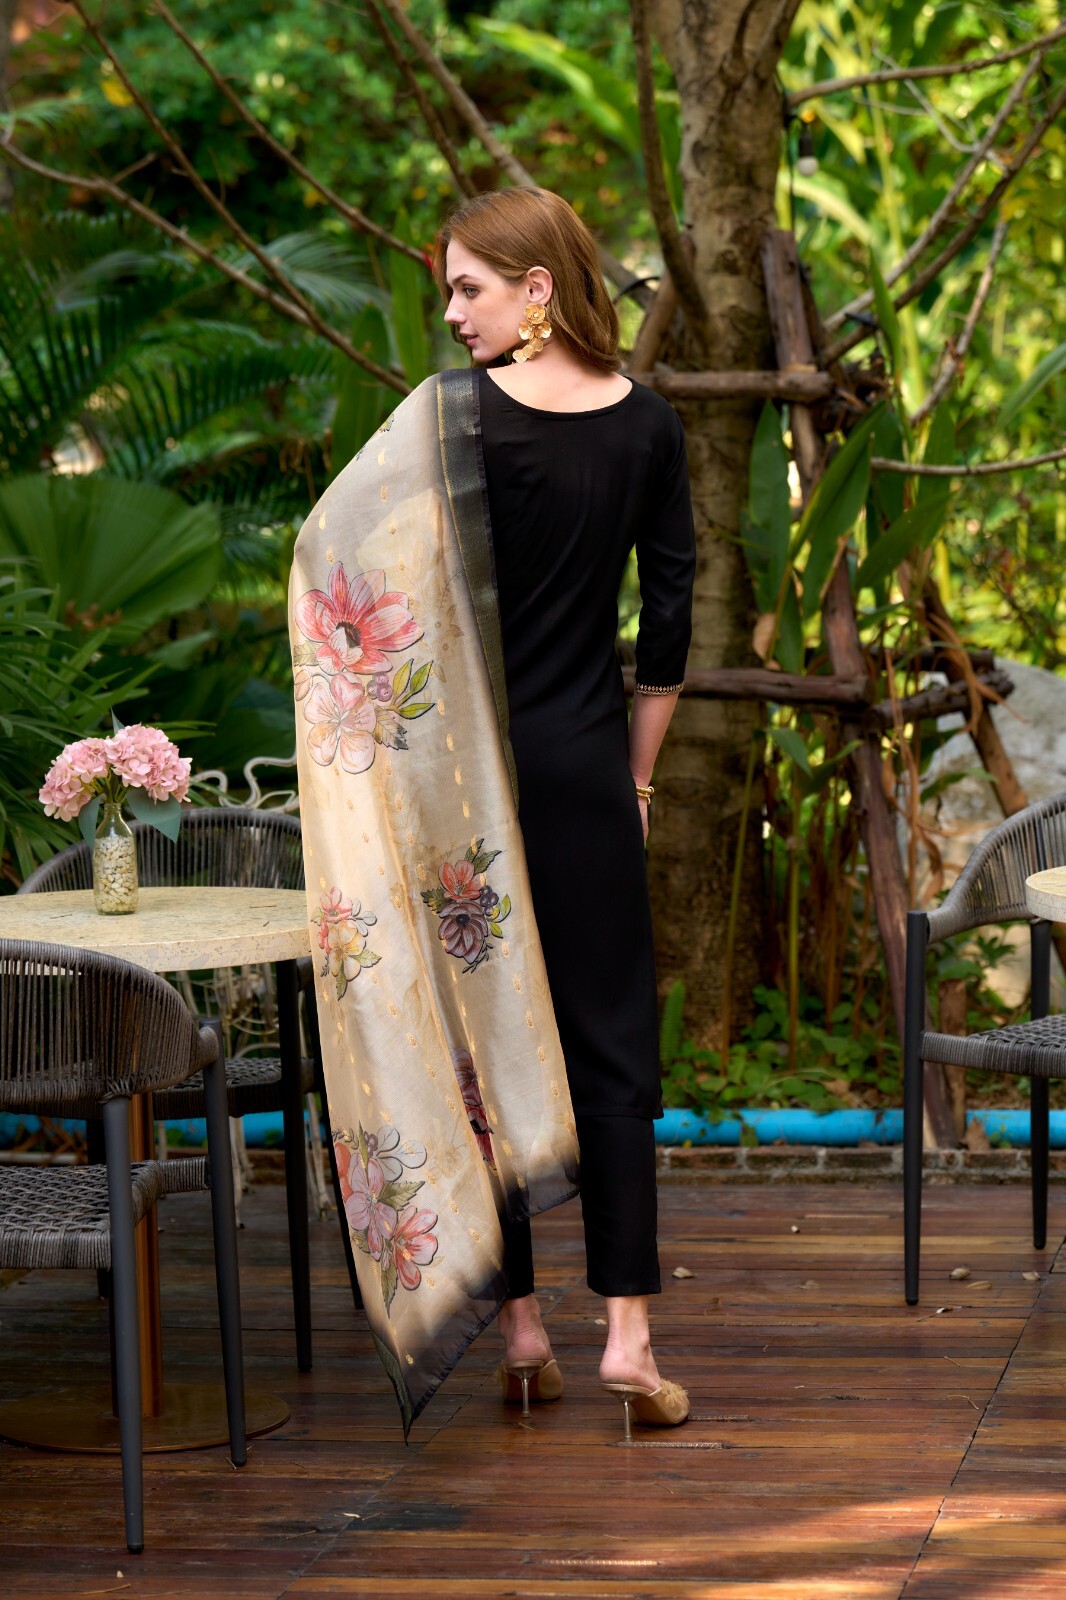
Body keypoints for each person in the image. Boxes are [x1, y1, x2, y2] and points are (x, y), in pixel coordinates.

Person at [433, 188, 696, 1437]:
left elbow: (355, 574)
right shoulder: (649, 426)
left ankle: (524, 1329)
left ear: (537, 287)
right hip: (587, 772)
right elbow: (670, 625)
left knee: (486, 1050)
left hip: (469, 785)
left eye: (469, 287)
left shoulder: (451, 422)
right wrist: (634, 782)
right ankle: (628, 1336)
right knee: (611, 1045)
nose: (452, 312)